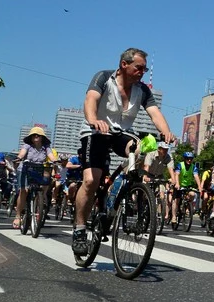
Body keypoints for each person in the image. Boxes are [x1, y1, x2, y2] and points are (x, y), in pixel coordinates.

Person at [72, 48, 175, 256]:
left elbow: (155, 113)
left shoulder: (142, 90)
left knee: (141, 147)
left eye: (145, 69)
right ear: (124, 65)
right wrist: (93, 120)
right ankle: (80, 230)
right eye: (139, 68)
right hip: (96, 131)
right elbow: (90, 100)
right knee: (91, 181)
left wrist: (166, 131)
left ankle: (127, 192)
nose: (142, 72)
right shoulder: (103, 77)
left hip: (121, 133)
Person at [12, 127, 59, 229]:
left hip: (38, 169)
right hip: (25, 169)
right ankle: (18, 215)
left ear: (42, 137)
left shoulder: (46, 147)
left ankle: (38, 204)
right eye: (33, 135)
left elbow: (51, 156)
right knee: (23, 190)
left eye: (38, 135)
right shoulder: (27, 145)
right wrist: (19, 158)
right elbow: (22, 153)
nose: (35, 137)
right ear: (31, 137)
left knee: (44, 185)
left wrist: (55, 161)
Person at [143, 142, 175, 222]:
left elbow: (171, 169)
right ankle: (143, 208)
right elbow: (147, 166)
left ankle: (159, 214)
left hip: (160, 177)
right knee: (145, 194)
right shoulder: (151, 154)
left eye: (166, 149)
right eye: (163, 149)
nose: (165, 151)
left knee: (162, 195)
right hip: (149, 175)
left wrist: (173, 179)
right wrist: (145, 176)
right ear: (159, 149)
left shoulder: (168, 157)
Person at [171, 151, 202, 224]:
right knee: (176, 201)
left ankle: (187, 207)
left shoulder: (193, 167)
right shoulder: (180, 165)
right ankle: (174, 216)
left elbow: (196, 176)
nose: (189, 160)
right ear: (184, 159)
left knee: (192, 194)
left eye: (191, 159)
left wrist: (200, 187)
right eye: (187, 159)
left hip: (188, 186)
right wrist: (177, 184)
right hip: (179, 185)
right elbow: (177, 174)